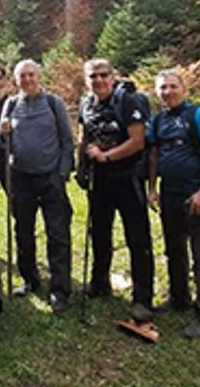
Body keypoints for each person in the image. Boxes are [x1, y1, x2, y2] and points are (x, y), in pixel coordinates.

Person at [78, 58, 155, 322]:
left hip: (127, 176)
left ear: (112, 77)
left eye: (103, 75)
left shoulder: (128, 102)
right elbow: (84, 136)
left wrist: (107, 156)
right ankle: (100, 282)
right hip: (100, 179)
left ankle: (142, 298)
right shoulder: (86, 104)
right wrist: (82, 166)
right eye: (93, 76)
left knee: (137, 237)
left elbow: (138, 141)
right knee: (99, 232)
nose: (98, 80)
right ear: (86, 80)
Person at [146, 69, 200, 338]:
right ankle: (179, 298)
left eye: (172, 86)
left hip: (195, 193)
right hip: (170, 194)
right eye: (162, 88)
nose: (167, 92)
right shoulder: (158, 120)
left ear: (184, 89)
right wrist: (152, 188)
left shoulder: (198, 115)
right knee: (174, 249)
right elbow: (154, 155)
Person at [0, 59, 75, 313]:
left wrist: (62, 174)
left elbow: (67, 140)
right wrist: (2, 133)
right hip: (21, 177)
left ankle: (59, 289)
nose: (27, 80)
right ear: (16, 80)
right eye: (23, 76)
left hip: (50, 177)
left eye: (31, 75)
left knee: (57, 233)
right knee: (23, 231)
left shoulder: (54, 103)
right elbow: (1, 141)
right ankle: (30, 279)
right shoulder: (11, 104)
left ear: (38, 76)